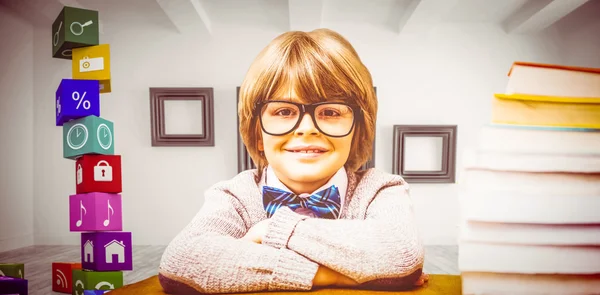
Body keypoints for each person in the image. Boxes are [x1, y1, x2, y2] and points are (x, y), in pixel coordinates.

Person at [158, 28, 427, 294]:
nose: (307, 128)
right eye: (284, 111)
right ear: (257, 134)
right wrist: (337, 276)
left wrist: (271, 230)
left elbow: (401, 253)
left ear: (357, 132)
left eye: (331, 111)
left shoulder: (381, 189)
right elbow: (182, 261)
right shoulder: (235, 195)